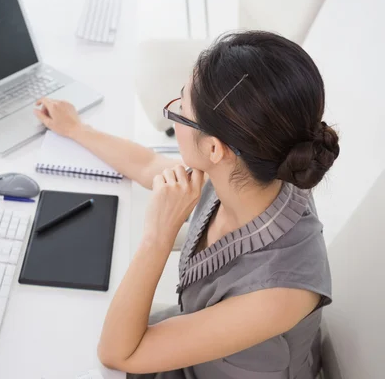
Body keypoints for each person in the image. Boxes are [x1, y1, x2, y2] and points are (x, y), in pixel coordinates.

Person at [33, 31, 339, 378]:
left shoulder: (276, 294)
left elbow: (117, 354)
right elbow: (149, 165)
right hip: (193, 350)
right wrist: (76, 129)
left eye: (180, 108)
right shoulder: (254, 166)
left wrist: (158, 237)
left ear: (213, 148)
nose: (174, 113)